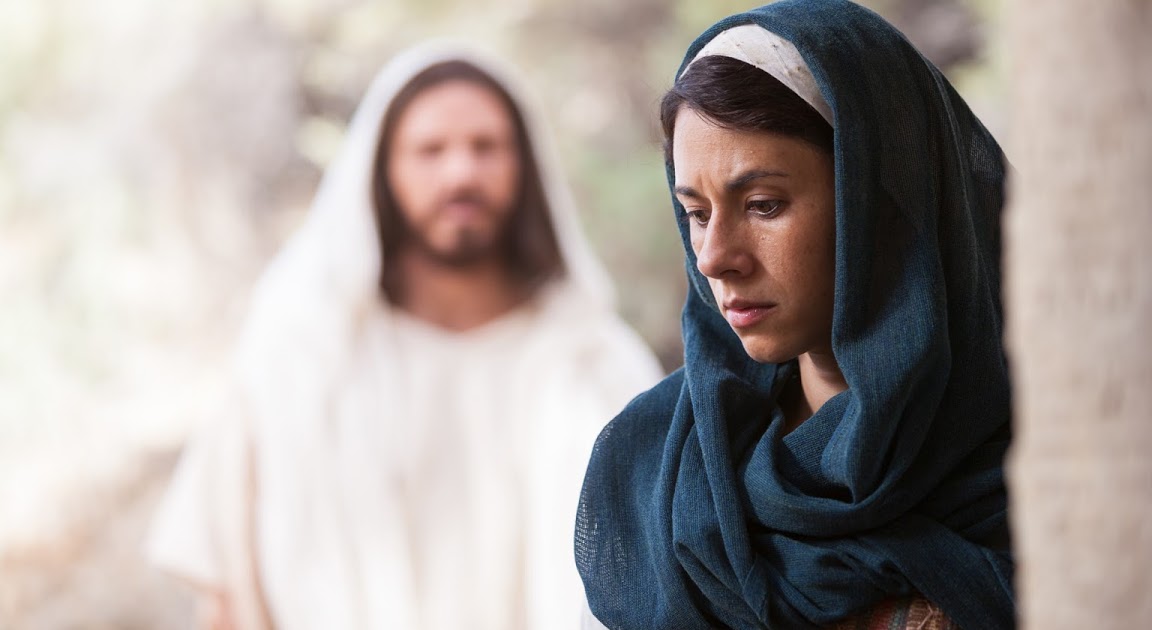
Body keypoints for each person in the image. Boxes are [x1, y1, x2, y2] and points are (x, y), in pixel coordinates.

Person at [147, 42, 662, 630]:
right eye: (430, 149)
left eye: (486, 147)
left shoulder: (593, 360)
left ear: (525, 165)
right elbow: (223, 599)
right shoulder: (302, 350)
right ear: (382, 170)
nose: (461, 171)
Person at [575, 2, 1012, 628]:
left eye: (761, 204)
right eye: (697, 214)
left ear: (879, 204)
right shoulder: (651, 477)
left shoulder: (1051, 456)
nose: (714, 258)